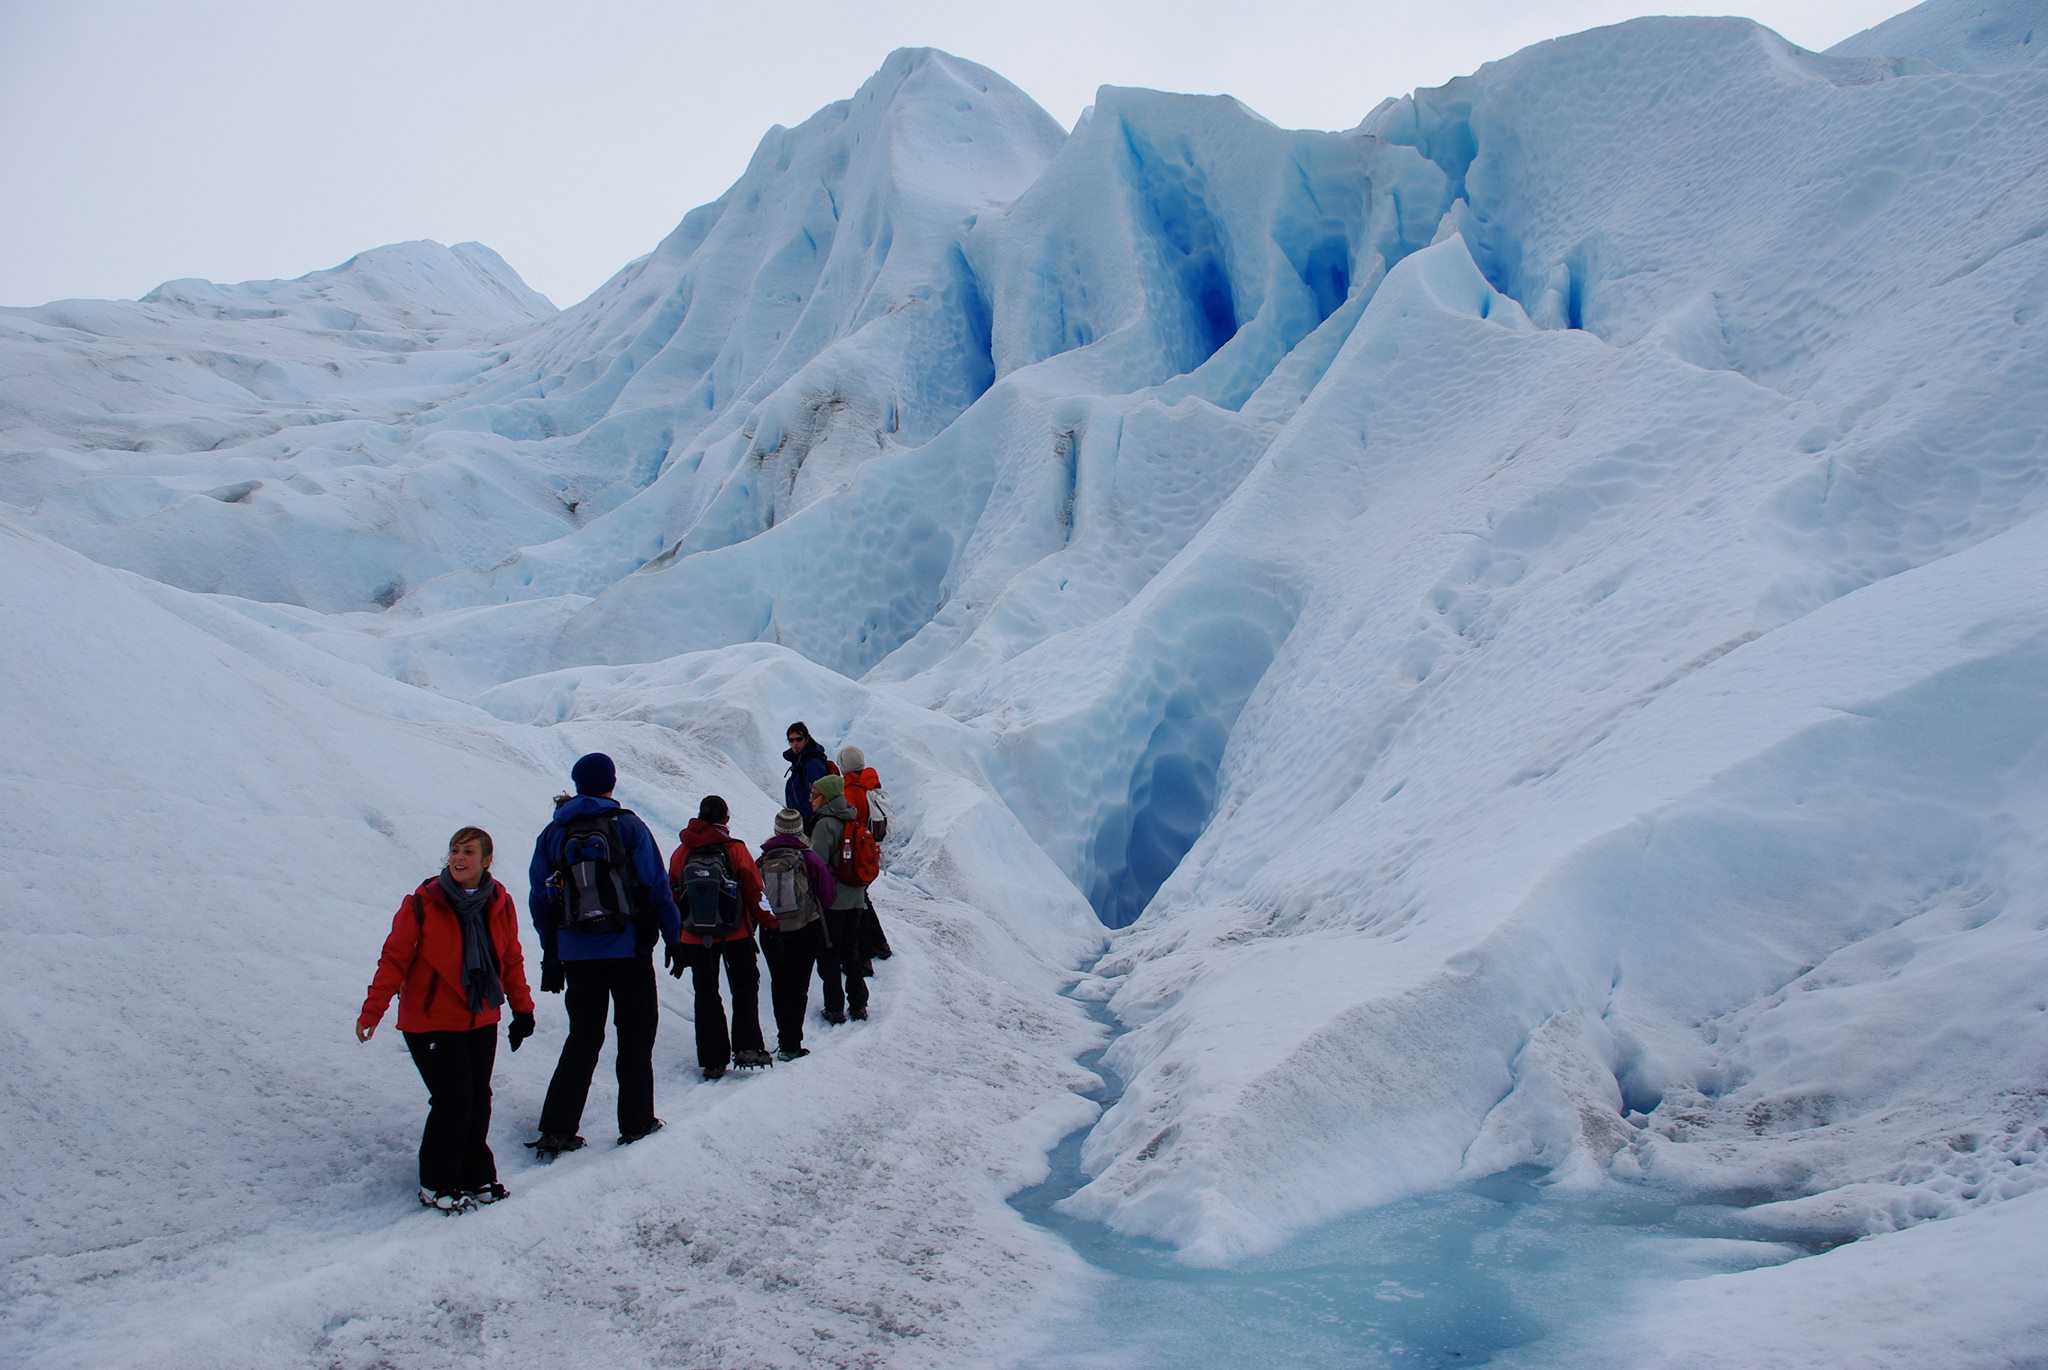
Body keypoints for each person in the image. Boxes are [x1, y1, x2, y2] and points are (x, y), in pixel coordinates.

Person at [356, 826, 536, 1214]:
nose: (458, 858)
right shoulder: (423, 903)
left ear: (486, 860)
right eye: (455, 850)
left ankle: (475, 1174)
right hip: (431, 1019)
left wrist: (523, 1009)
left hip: (480, 1016)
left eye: (468, 851)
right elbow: (394, 959)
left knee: (478, 1098)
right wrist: (374, 1010)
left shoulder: (499, 902)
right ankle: (436, 1182)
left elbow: (510, 959)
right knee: (453, 1100)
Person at [526, 752, 684, 1154]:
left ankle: (557, 1128)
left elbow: (540, 897)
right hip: (628, 948)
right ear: (611, 783)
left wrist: (552, 950)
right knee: (635, 1035)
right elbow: (657, 886)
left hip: (577, 953)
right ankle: (636, 1122)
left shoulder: (553, 833)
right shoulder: (627, 825)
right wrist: (674, 938)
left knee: (582, 1037)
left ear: (577, 784)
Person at [668, 795, 774, 1080]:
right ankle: (748, 1047)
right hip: (735, 931)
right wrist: (769, 922)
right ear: (726, 818)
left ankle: (712, 1059)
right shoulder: (736, 850)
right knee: (744, 986)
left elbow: (674, 894)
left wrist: (675, 936)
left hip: (694, 934)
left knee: (705, 993)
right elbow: (754, 891)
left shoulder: (682, 852)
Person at [755, 807, 837, 1060]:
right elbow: (828, 895)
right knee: (798, 985)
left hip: (772, 931)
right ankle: (792, 1044)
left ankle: (783, 1037)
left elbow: (753, 895)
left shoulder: (763, 859)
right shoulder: (808, 857)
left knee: (779, 984)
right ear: (799, 829)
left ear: (777, 829)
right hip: (804, 928)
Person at [807, 774, 872, 1023]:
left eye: (816, 795)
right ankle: (859, 1004)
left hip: (833, 901)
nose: (811, 799)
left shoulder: (825, 824)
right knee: (850, 952)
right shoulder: (852, 817)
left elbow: (818, 864)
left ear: (827, 797)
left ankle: (834, 1008)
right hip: (855, 898)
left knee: (829, 954)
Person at [836, 744, 895, 970]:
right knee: (862, 898)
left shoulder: (849, 791)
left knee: (855, 902)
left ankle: (863, 956)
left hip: (856, 854)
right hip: (871, 852)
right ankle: (879, 944)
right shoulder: (871, 784)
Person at [783, 721, 836, 834]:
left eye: (799, 739)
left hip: (811, 823)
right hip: (803, 821)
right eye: (791, 740)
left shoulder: (813, 764)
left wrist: (806, 817)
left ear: (806, 739)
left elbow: (818, 795)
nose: (794, 743)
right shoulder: (800, 760)